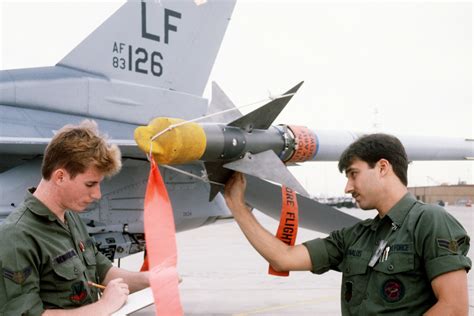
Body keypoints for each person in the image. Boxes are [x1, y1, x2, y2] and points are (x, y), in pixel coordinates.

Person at [224, 133, 471, 315]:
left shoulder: (430, 221)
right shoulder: (356, 236)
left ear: (383, 167)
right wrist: (237, 206)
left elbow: (454, 308)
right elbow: (284, 257)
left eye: (354, 174)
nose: (348, 187)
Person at [0, 120, 150, 315]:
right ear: (60, 177)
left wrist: (151, 279)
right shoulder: (16, 236)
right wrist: (103, 307)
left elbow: (102, 271)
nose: (97, 194)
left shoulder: (70, 218)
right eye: (90, 184)